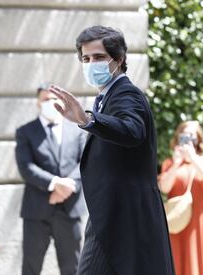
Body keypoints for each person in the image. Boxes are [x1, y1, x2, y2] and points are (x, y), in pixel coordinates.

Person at [48, 26, 174, 275]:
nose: (90, 63)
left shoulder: (126, 94)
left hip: (124, 218)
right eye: (85, 58)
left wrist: (87, 120)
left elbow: (132, 131)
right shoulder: (106, 98)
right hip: (112, 217)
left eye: (99, 57)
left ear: (118, 60)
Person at [15, 83, 86, 275]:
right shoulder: (25, 132)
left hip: (69, 210)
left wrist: (67, 187)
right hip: (36, 212)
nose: (50, 103)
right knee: (31, 267)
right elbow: (26, 167)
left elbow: (85, 163)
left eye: (54, 98)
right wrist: (55, 184)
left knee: (74, 267)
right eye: (46, 99)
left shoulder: (77, 130)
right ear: (38, 103)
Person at [158, 120, 203, 275]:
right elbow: (164, 188)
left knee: (198, 259)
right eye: (185, 135)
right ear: (178, 137)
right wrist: (177, 163)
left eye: (192, 136)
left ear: (198, 139)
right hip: (176, 221)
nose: (188, 139)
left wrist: (193, 158)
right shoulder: (169, 162)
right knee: (175, 261)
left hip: (200, 221)